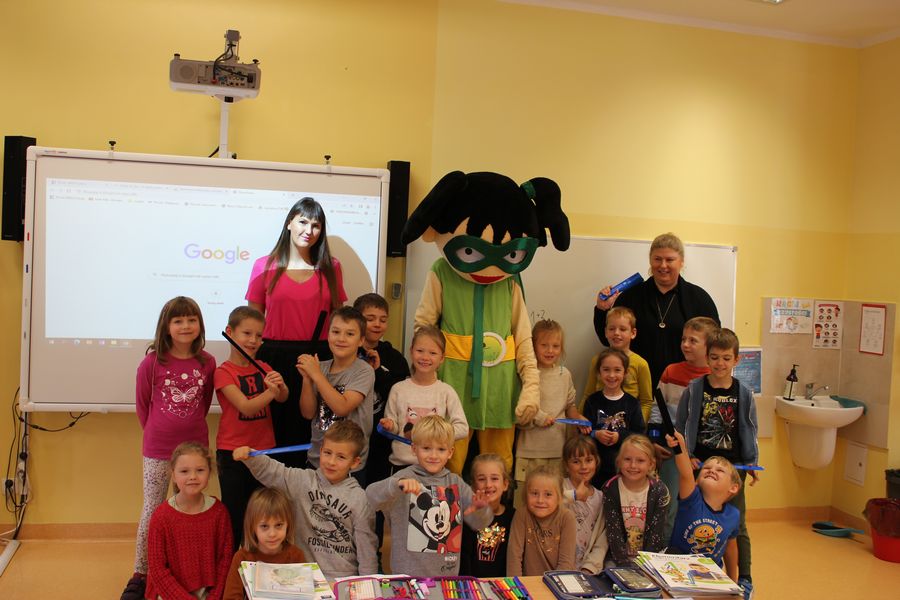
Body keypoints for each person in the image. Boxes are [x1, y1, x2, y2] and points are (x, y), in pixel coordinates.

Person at [121, 296, 217, 600]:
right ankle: (141, 575)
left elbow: (204, 403)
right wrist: (157, 433)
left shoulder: (207, 362)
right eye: (178, 321)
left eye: (191, 319)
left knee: (188, 508)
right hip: (158, 449)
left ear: (200, 324)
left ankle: (181, 571)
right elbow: (142, 406)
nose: (185, 326)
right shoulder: (151, 363)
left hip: (195, 450)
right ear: (166, 326)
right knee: (153, 509)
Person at [246, 197, 347, 467]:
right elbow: (252, 321)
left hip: (318, 358)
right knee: (274, 436)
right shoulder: (264, 265)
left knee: (317, 435)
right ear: (289, 223)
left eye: (316, 225)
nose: (308, 230)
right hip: (273, 358)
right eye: (303, 222)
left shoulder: (332, 267)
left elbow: (339, 320)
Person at [233, 420, 378, 579]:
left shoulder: (360, 499)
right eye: (327, 453)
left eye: (341, 457)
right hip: (302, 575)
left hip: (342, 578)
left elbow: (367, 549)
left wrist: (368, 583)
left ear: (355, 462)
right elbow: (273, 472)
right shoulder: (302, 481)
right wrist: (251, 456)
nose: (331, 462)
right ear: (320, 451)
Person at [675, 328, 758, 598]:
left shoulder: (744, 393)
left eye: (726, 358)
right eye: (714, 357)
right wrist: (687, 455)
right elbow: (682, 424)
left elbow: (750, 428)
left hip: (732, 469)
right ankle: (685, 570)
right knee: (693, 516)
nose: (719, 363)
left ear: (736, 359)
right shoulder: (694, 389)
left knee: (737, 524)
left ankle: (744, 578)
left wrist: (752, 463)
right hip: (700, 466)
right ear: (707, 358)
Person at [366, 415, 492, 576]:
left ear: (450, 452)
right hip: (406, 577)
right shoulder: (403, 478)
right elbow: (370, 497)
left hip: (446, 577)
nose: (433, 455)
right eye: (426, 448)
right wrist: (396, 485)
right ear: (414, 449)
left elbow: (479, 524)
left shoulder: (456, 483)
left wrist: (481, 510)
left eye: (441, 449)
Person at [594, 232, 719, 387]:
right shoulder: (630, 297)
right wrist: (602, 310)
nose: (663, 265)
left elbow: (714, 346)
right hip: (633, 384)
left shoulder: (699, 299)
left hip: (682, 386)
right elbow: (607, 340)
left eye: (670, 260)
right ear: (650, 260)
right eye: (657, 259)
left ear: (681, 262)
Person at [215, 306, 289, 550]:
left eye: (258, 336)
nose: (253, 341)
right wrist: (272, 391)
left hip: (264, 452)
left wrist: (280, 386)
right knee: (234, 517)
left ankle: (259, 564)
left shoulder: (263, 366)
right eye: (247, 333)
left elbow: (283, 398)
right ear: (230, 332)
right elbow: (246, 407)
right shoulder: (223, 372)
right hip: (232, 453)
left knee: (263, 516)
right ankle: (230, 567)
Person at [648, 316, 717, 538]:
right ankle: (665, 549)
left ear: (708, 346)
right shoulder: (671, 372)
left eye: (693, 340)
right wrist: (654, 440)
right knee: (670, 506)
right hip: (673, 451)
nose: (685, 344)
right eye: (683, 339)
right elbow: (658, 409)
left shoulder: (715, 377)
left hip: (704, 455)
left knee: (704, 507)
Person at [515, 319, 589, 508]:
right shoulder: (526, 374)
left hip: (557, 452)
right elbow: (519, 407)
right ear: (533, 346)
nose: (550, 351)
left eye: (555, 346)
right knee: (525, 503)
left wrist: (578, 419)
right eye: (544, 345)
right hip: (529, 452)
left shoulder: (565, 375)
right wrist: (538, 417)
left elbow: (570, 406)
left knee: (553, 502)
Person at [145, 442, 233, 600]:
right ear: (173, 475)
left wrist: (214, 597)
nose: (193, 476)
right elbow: (158, 570)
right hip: (169, 594)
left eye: (200, 470)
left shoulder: (219, 512)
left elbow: (225, 562)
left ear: (209, 472)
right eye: (184, 471)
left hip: (208, 594)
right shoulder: (161, 516)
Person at [298, 306, 375, 484]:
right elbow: (308, 413)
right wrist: (307, 380)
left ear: (361, 340)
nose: (341, 338)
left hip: (349, 465)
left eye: (350, 334)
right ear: (328, 335)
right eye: (336, 332)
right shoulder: (321, 368)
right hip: (317, 460)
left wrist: (316, 375)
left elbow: (342, 407)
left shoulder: (364, 371)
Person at [379, 325, 468, 469]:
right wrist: (389, 425)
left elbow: (462, 428)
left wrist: (437, 435)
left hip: (434, 465)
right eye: (420, 351)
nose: (425, 357)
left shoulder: (446, 391)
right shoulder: (398, 389)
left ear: (442, 358)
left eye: (433, 353)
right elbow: (394, 428)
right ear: (411, 351)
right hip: (401, 465)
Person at [664, 431, 740, 583]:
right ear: (697, 480)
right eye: (706, 468)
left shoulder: (733, 514)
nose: (711, 470)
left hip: (709, 574)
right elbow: (685, 473)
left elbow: (730, 548)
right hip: (676, 568)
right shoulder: (691, 498)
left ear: (733, 488)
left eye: (720, 470)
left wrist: (733, 581)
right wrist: (681, 446)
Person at [352, 293, 411, 485]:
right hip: (352, 433)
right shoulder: (346, 352)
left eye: (383, 320)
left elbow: (400, 397)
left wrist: (378, 372)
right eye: (370, 319)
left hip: (381, 438)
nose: (377, 324)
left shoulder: (395, 358)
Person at [223, 487, 306, 600]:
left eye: (278, 525)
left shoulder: (296, 555)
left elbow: (304, 594)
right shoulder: (242, 558)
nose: (272, 534)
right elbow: (230, 597)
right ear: (253, 527)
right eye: (264, 526)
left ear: (288, 524)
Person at [601, 434, 670, 567]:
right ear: (619, 461)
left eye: (640, 460)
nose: (633, 465)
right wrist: (624, 564)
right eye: (627, 459)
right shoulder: (610, 488)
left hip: (650, 559)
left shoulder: (660, 491)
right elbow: (613, 532)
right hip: (616, 558)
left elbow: (657, 533)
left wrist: (646, 564)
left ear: (651, 464)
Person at [583, 349, 645, 487]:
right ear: (599, 373)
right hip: (596, 469)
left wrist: (619, 437)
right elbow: (582, 432)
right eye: (606, 370)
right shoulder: (592, 401)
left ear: (625, 373)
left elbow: (639, 435)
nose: (611, 375)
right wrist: (596, 434)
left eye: (617, 370)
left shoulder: (632, 403)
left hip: (625, 470)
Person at [583, 307, 653, 422]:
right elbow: (588, 394)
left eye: (623, 329)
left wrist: (637, 426)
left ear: (633, 333)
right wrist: (581, 421)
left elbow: (646, 402)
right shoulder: (597, 360)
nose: (616, 333)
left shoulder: (641, 364)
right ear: (605, 332)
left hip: (628, 425)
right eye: (611, 329)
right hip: (599, 424)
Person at [506, 464, 577, 576]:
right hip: (527, 583)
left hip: (557, 581)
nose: (540, 500)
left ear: (559, 497)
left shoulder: (567, 518)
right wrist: (516, 584)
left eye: (548, 494)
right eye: (534, 493)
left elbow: (566, 563)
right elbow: (514, 556)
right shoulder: (522, 514)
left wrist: (555, 584)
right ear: (526, 494)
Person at [459, 454, 515, 577]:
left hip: (503, 585)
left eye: (494, 478)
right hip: (470, 584)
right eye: (481, 479)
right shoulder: (467, 516)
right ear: (472, 486)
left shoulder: (514, 517)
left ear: (505, 484)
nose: (488, 484)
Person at [562, 436, 608, 574]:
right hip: (557, 564)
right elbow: (550, 505)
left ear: (596, 461)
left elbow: (602, 540)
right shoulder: (559, 486)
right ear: (566, 465)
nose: (584, 467)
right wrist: (574, 496)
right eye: (576, 462)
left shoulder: (600, 497)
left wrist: (590, 567)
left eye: (589, 460)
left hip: (584, 569)